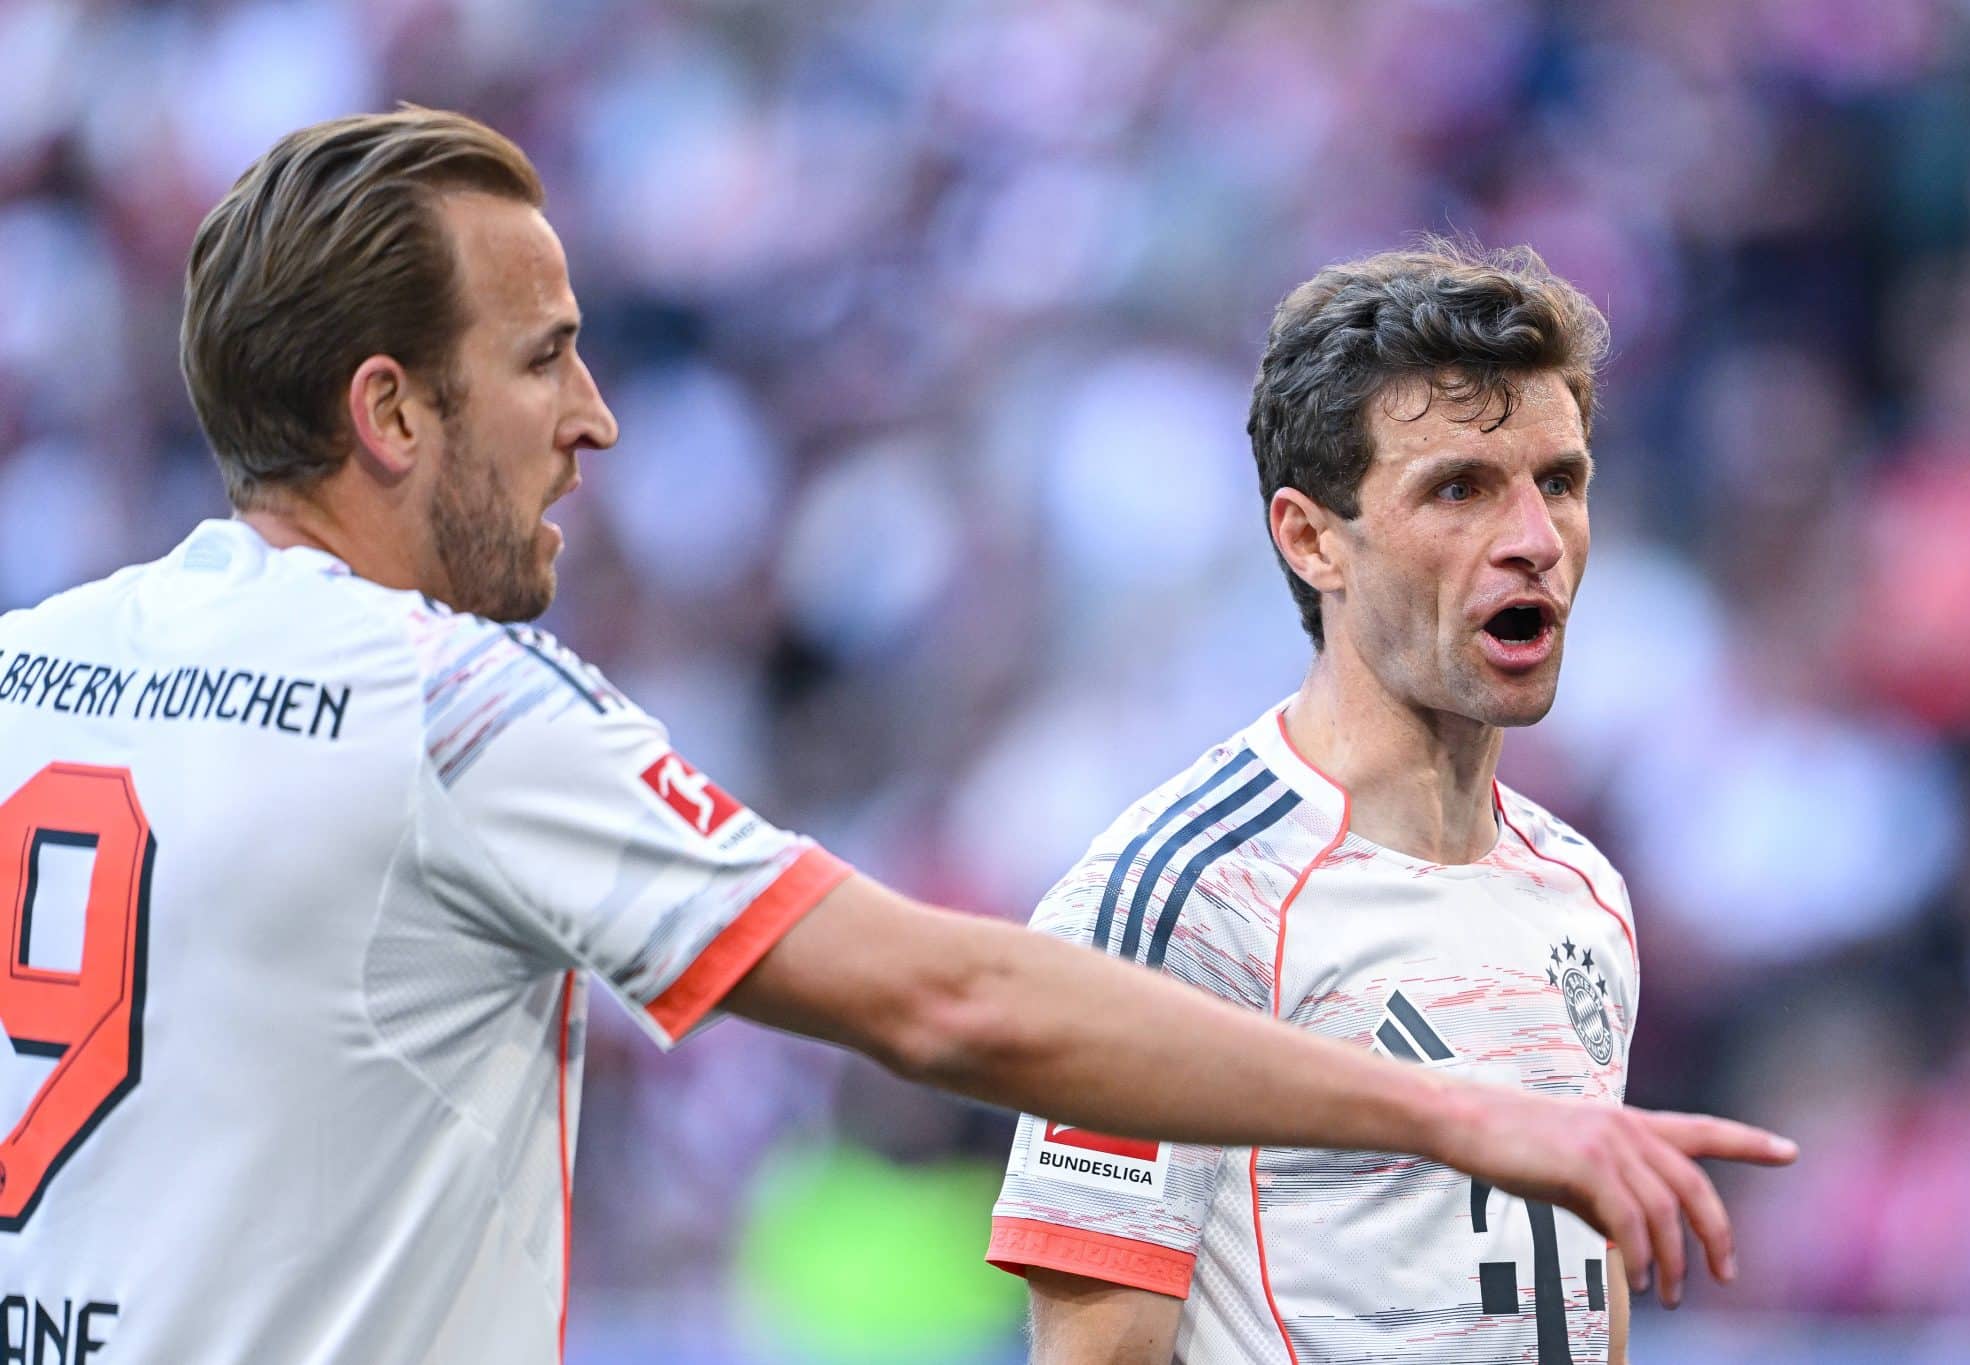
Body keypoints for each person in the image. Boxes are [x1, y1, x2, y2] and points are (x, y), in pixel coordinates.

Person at [0, 111, 1787, 1364]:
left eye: (1558, 480)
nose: (597, 420)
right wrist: (1455, 1117)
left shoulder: (32, 669)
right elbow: (952, 1003)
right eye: (543, 360)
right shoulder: (451, 707)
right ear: (390, 409)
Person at [988, 242, 1716, 1364]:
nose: (1532, 541)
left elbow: (1578, 1303)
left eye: (1558, 482)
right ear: (1310, 538)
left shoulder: (1583, 895)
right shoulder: (1176, 904)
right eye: (1459, 489)